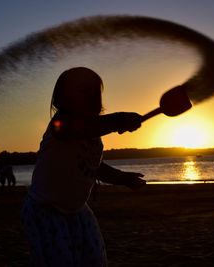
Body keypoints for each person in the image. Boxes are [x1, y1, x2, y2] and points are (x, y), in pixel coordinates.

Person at [21, 67, 146, 266]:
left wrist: (124, 178)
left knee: (94, 259)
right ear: (60, 100)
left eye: (96, 93)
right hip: (46, 209)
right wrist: (118, 120)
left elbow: (93, 166)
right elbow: (83, 128)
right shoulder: (60, 125)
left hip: (77, 210)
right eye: (83, 91)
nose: (92, 97)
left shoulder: (94, 134)